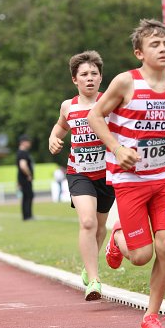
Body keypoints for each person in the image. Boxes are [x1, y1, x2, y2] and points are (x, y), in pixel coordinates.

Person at [88, 19, 165, 328]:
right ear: (139, 52)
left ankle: (151, 317)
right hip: (130, 178)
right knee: (140, 256)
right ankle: (117, 238)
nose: (163, 49)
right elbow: (96, 115)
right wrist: (117, 147)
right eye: (155, 44)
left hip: (164, 178)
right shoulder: (125, 83)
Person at [49, 50, 115, 301]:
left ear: (101, 78)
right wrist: (52, 139)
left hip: (106, 175)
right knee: (87, 222)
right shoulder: (68, 106)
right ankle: (94, 280)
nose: (90, 78)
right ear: (75, 80)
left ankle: (89, 268)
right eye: (84, 74)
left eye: (94, 74)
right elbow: (60, 126)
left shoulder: (110, 104)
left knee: (100, 228)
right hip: (79, 173)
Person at [16, 134, 34, 220]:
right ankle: (28, 216)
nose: (29, 143)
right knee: (28, 196)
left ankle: (26, 216)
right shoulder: (23, 153)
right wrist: (29, 174)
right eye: (28, 141)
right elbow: (23, 166)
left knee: (26, 197)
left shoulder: (20, 152)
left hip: (22, 179)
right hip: (25, 178)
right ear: (23, 142)